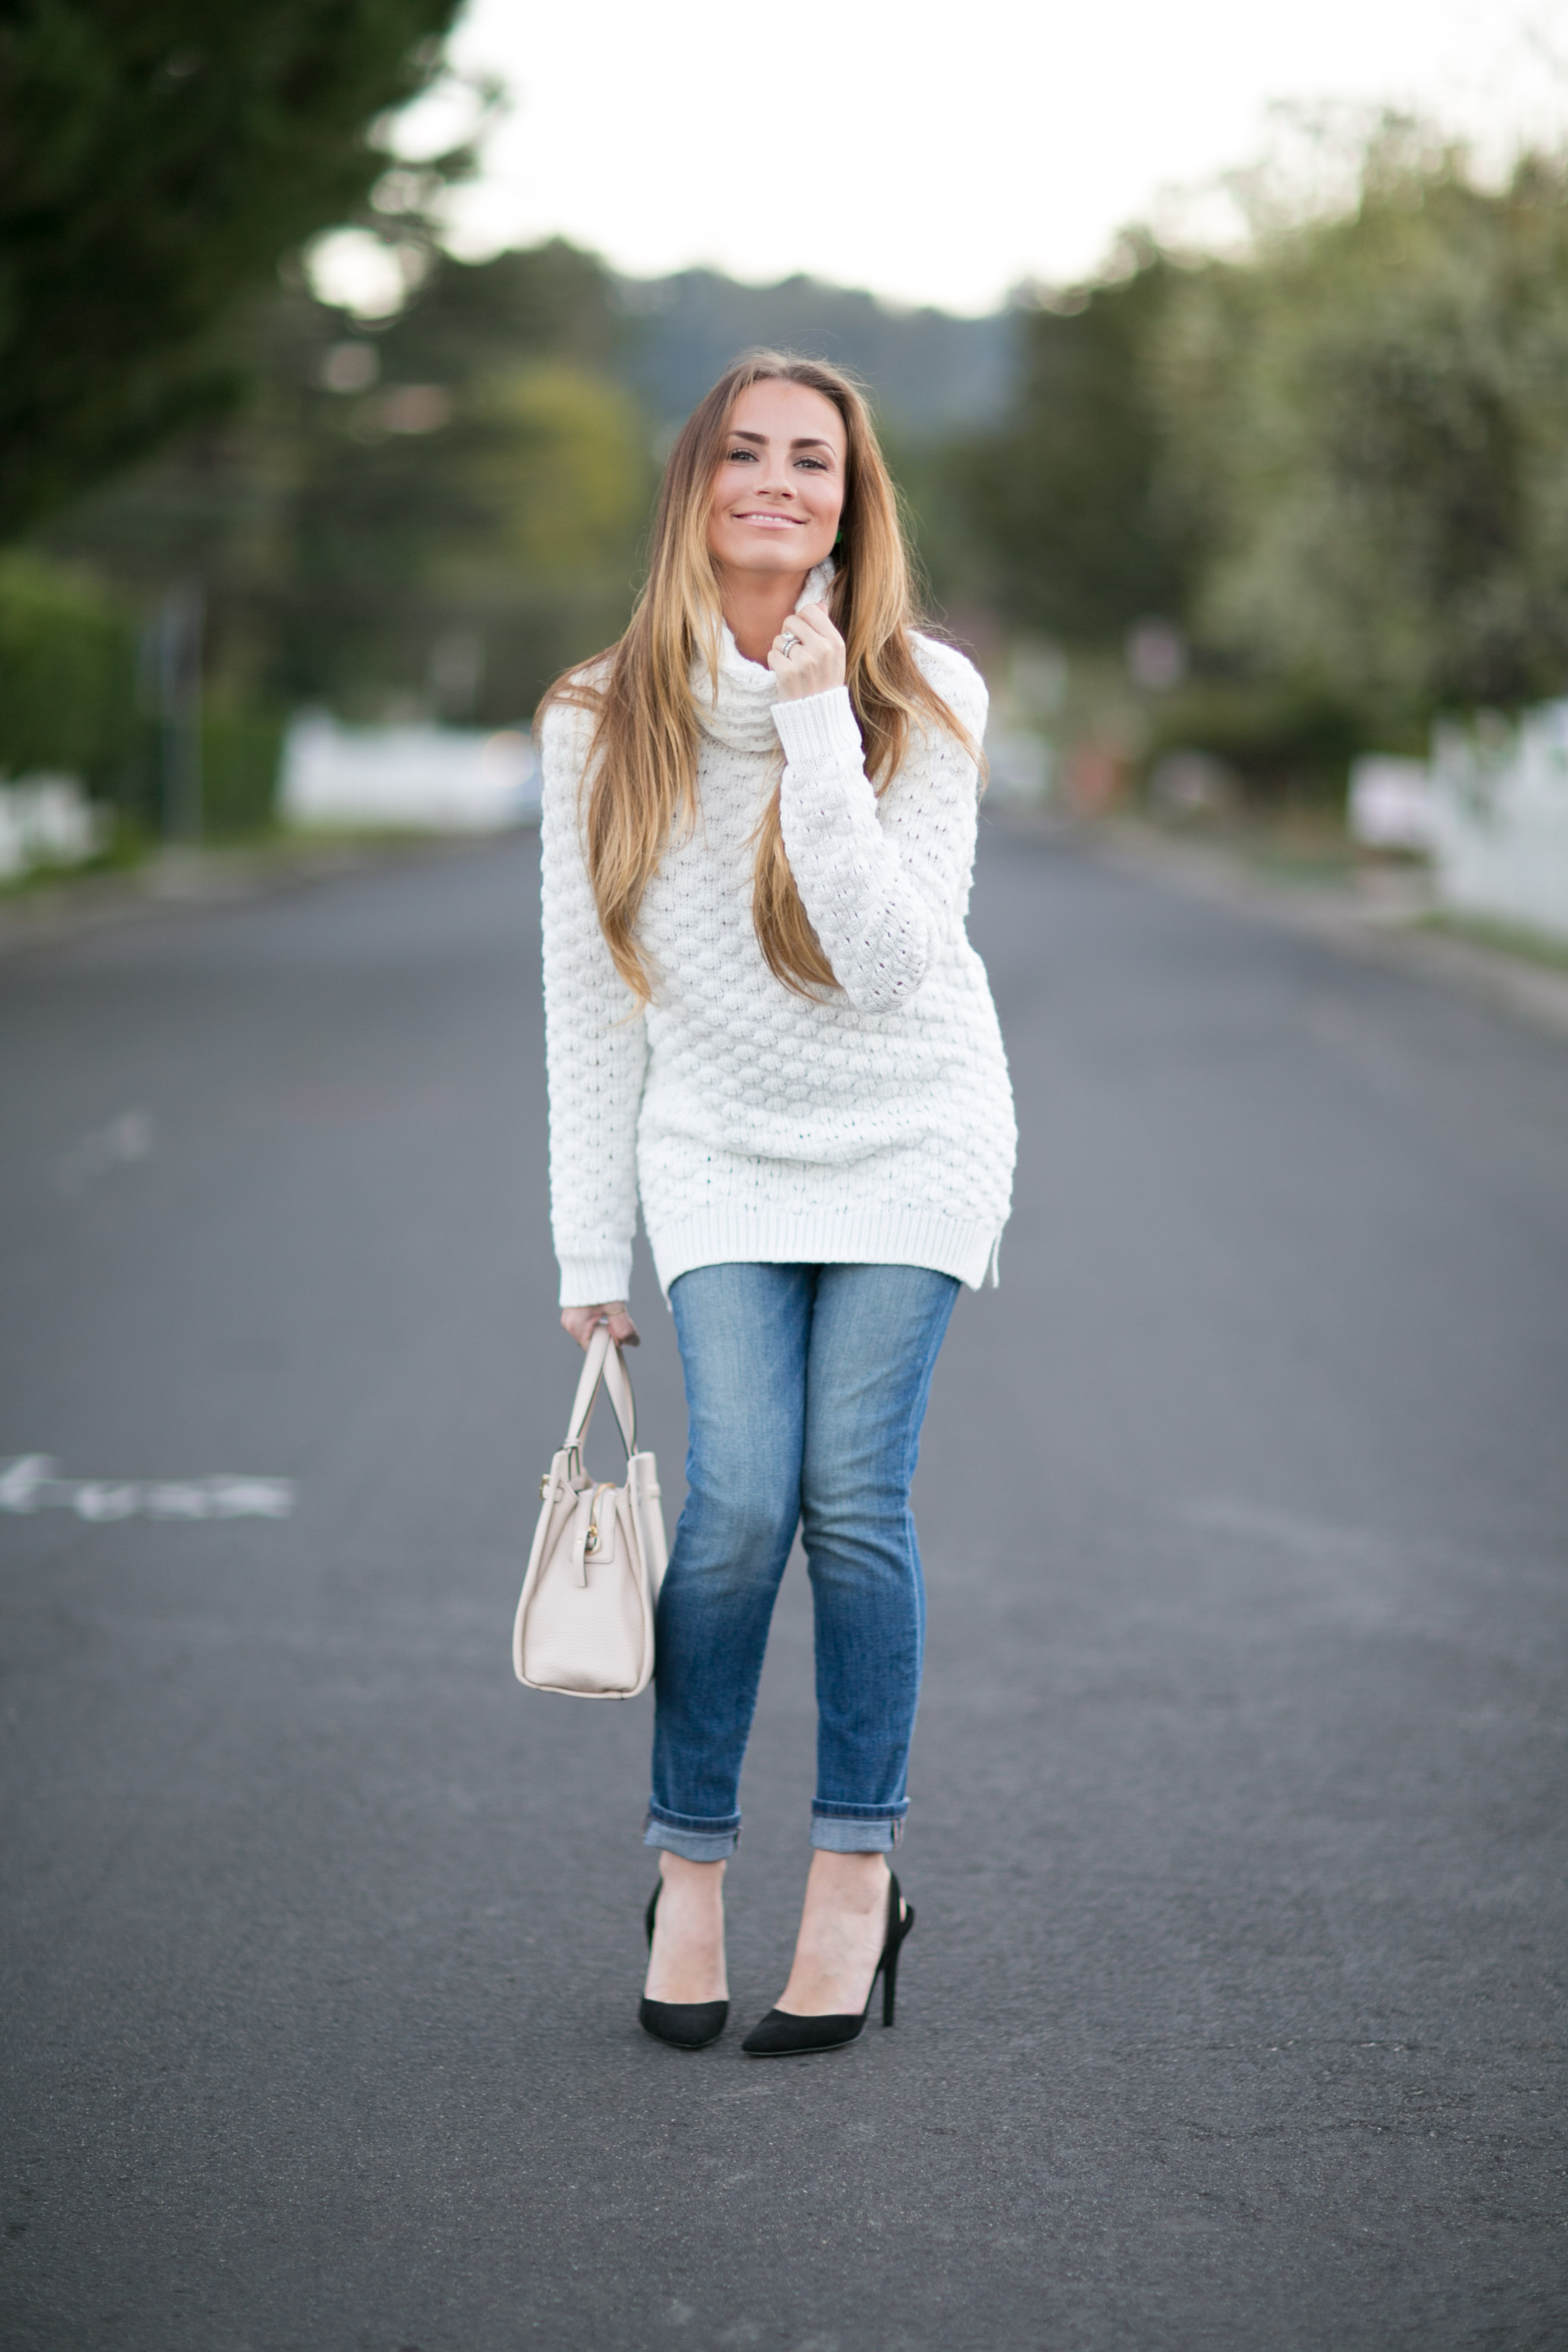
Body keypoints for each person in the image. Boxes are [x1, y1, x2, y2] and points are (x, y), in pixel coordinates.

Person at [538, 351, 1015, 2056]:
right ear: (696, 486)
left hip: (915, 1128)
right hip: (722, 1144)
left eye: (812, 461)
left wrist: (820, 721)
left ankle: (852, 1879)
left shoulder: (925, 696)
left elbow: (894, 968)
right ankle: (687, 1875)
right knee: (737, 1507)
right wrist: (594, 1248)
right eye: (744, 453)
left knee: (849, 1499)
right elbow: (590, 998)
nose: (777, 483)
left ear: (850, 501)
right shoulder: (600, 712)